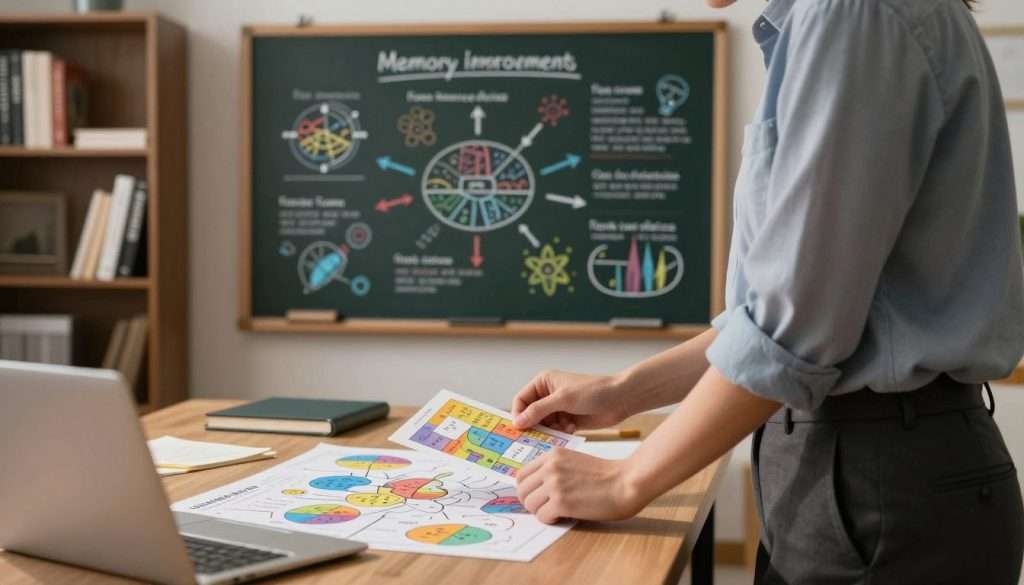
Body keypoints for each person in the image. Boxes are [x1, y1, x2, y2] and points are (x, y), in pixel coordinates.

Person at [511, 0, 1024, 582]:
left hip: (878, 484)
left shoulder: (853, 13)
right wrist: (621, 392)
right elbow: (777, 319)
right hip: (867, 472)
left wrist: (627, 479)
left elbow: (794, 330)